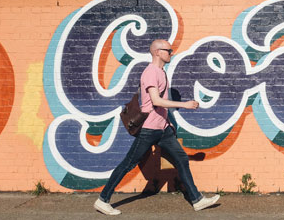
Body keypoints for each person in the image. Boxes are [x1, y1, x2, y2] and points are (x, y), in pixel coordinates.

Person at [94, 39, 220, 216]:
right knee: (128, 163)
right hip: (149, 129)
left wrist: (167, 122)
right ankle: (103, 200)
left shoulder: (161, 72)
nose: (171, 53)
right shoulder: (151, 72)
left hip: (163, 129)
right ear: (157, 52)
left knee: (182, 159)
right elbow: (156, 101)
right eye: (169, 50)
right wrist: (184, 105)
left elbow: (159, 104)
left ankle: (197, 200)